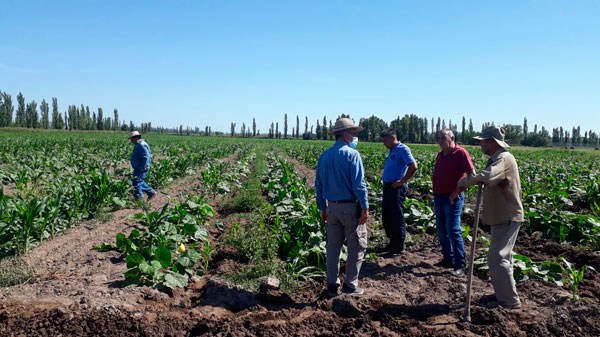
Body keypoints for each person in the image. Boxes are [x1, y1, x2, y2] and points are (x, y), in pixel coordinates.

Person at [457, 126, 523, 309]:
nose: (480, 145)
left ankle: (509, 301)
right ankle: (504, 293)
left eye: (482, 141)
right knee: (502, 257)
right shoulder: (497, 158)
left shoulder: (504, 158)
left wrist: (464, 182)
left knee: (497, 257)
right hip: (502, 216)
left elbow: (487, 177)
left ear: (492, 142)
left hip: (508, 216)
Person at [315, 118, 369, 297]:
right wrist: (364, 207)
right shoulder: (352, 155)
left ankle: (332, 285)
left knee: (333, 247)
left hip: (331, 209)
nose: (355, 137)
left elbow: (319, 185)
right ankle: (350, 286)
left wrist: (323, 207)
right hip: (349, 208)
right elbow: (359, 185)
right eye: (353, 133)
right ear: (346, 135)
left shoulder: (324, 156)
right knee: (356, 247)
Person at [432, 129, 475, 277]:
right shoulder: (440, 154)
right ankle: (448, 259)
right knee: (442, 230)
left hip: (453, 198)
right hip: (438, 197)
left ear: (452, 138)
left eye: (443, 138)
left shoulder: (460, 153)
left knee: (453, 229)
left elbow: (472, 176)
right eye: (438, 138)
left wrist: (458, 191)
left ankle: (460, 264)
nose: (440, 140)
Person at [380, 129, 418, 256]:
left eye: (385, 141)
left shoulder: (402, 149)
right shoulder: (392, 150)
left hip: (396, 188)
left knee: (396, 217)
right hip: (388, 187)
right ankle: (392, 244)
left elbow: (413, 166)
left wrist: (402, 181)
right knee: (387, 216)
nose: (384, 144)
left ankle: (399, 247)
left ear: (393, 138)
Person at [129, 131, 156, 202]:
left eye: (131, 138)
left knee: (136, 183)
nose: (131, 140)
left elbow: (146, 157)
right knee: (139, 182)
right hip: (139, 167)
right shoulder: (139, 144)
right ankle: (151, 192)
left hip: (141, 168)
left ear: (136, 138)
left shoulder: (141, 145)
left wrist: (144, 166)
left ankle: (139, 200)